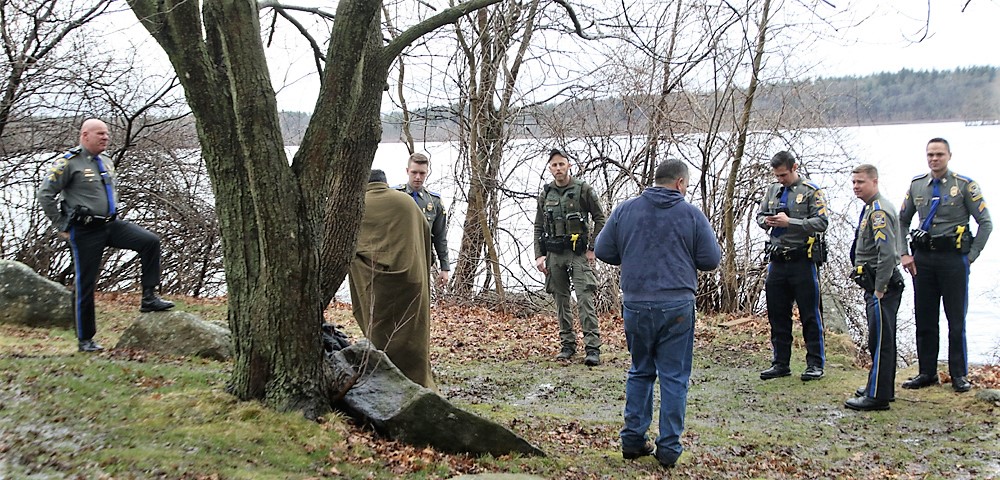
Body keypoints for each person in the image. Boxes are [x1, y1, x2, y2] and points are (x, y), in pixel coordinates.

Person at [594, 159, 721, 468]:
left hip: (636, 303)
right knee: (674, 377)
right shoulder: (691, 214)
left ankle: (633, 440)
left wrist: (633, 254)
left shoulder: (626, 210)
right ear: (679, 183)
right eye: (686, 185)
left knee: (640, 370)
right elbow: (710, 258)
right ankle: (668, 448)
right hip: (677, 304)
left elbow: (602, 250)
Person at [36, 118, 174, 353]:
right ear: (84, 136)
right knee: (85, 284)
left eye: (107, 134)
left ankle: (149, 297)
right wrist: (61, 224)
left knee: (149, 242)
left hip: (110, 224)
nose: (105, 138)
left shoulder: (106, 161)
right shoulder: (69, 163)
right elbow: (45, 194)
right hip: (85, 230)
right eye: (99, 134)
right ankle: (85, 339)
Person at [898, 138, 991, 393]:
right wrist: (904, 254)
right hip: (924, 261)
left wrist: (970, 257)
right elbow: (902, 221)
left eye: (939, 154)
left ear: (949, 155)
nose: (934, 159)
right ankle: (926, 372)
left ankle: (959, 375)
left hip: (953, 261)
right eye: (930, 154)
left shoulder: (964, 186)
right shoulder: (917, 186)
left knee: (956, 320)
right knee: (925, 318)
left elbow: (986, 223)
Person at [349, 169, 436, 390]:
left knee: (379, 336)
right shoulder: (407, 203)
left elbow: (347, 246)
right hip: (411, 283)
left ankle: (383, 384)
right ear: (385, 183)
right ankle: (417, 382)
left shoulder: (356, 207)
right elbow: (425, 237)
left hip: (374, 287)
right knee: (412, 335)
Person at [756, 151, 829, 381]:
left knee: (809, 315)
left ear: (794, 168)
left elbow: (821, 222)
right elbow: (759, 215)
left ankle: (815, 364)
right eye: (777, 175)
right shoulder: (772, 191)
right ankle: (780, 363)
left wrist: (792, 223)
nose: (781, 180)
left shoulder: (810, 191)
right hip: (777, 262)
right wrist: (766, 221)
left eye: (784, 175)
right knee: (778, 315)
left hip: (802, 261)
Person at [533, 149, 607, 366]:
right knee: (560, 300)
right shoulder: (546, 194)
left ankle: (592, 348)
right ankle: (567, 345)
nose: (558, 169)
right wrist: (539, 255)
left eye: (562, 164)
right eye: (554, 165)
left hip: (578, 253)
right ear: (550, 168)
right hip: (554, 254)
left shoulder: (583, 190)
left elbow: (600, 219)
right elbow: (538, 226)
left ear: (569, 166)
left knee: (585, 299)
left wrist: (593, 248)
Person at [846, 164, 904, 411]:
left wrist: (879, 288)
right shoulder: (870, 209)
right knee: (883, 338)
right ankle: (882, 387)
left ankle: (877, 396)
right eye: (854, 183)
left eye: (861, 182)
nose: (856, 187)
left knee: (880, 341)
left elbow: (888, 254)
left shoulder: (879, 212)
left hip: (883, 287)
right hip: (876, 284)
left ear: (875, 182)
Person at [395, 153, 450, 288]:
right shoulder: (394, 196)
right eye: (414, 172)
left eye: (422, 173)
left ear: (427, 173)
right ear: (407, 171)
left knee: (419, 302)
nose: (418, 177)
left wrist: (445, 268)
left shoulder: (434, 202)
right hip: (396, 260)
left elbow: (440, 236)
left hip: (422, 261)